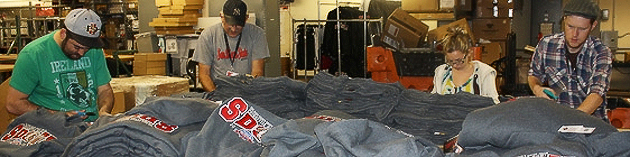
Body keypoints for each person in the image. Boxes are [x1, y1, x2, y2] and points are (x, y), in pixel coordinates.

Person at [5, 9, 113, 122]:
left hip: (89, 125)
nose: (82, 53)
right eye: (77, 47)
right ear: (63, 34)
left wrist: (104, 112)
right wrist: (57, 115)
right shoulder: (33, 54)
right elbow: (13, 104)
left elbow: (104, 90)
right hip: (49, 126)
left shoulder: (95, 51)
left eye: (87, 48)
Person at [528, 0, 611, 122]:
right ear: (564, 21)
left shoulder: (601, 52)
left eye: (582, 29)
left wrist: (572, 122)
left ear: (592, 26)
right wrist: (537, 89)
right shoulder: (546, 45)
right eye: (570, 26)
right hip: (556, 122)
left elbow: (597, 95)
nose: (574, 34)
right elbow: (534, 75)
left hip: (591, 126)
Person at [192, 0, 270, 92]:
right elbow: (204, 74)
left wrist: (249, 94)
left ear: (246, 18)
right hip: (217, 90)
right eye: (230, 24)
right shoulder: (208, 36)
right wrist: (217, 95)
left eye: (238, 25)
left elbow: (257, 72)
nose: (233, 29)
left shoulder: (257, 34)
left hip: (246, 90)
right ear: (222, 17)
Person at [431, 27, 500, 104]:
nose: (455, 65)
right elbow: (434, 101)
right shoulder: (441, 72)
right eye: (450, 61)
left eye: (459, 60)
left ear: (469, 52)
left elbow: (493, 103)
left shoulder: (484, 73)